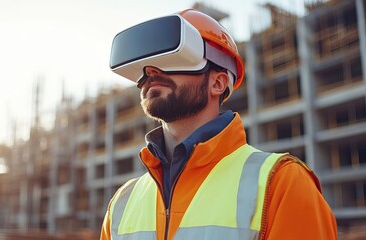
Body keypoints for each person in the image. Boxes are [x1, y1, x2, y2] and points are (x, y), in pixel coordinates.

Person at [101, 8, 337, 240]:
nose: (150, 73)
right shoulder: (122, 203)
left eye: (172, 60)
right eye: (144, 68)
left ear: (218, 83)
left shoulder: (281, 184)